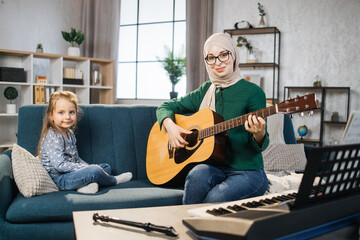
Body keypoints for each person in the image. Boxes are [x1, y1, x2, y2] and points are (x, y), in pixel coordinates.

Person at [156, 33, 270, 204]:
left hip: (248, 172)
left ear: (233, 56)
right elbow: (165, 107)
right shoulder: (206, 90)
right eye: (211, 57)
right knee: (196, 174)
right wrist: (170, 126)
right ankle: (184, 224)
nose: (218, 62)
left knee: (215, 198)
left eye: (224, 55)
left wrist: (259, 133)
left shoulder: (253, 92)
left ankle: (194, 225)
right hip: (214, 166)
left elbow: (261, 144)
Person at [38, 91, 132, 194]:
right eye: (61, 113)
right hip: (60, 179)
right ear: (51, 116)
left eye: (71, 112)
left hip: (71, 173)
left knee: (105, 167)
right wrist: (88, 168)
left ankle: (84, 186)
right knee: (95, 171)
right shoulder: (53, 135)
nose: (68, 117)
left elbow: (76, 159)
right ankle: (114, 180)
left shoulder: (69, 134)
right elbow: (60, 165)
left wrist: (87, 166)